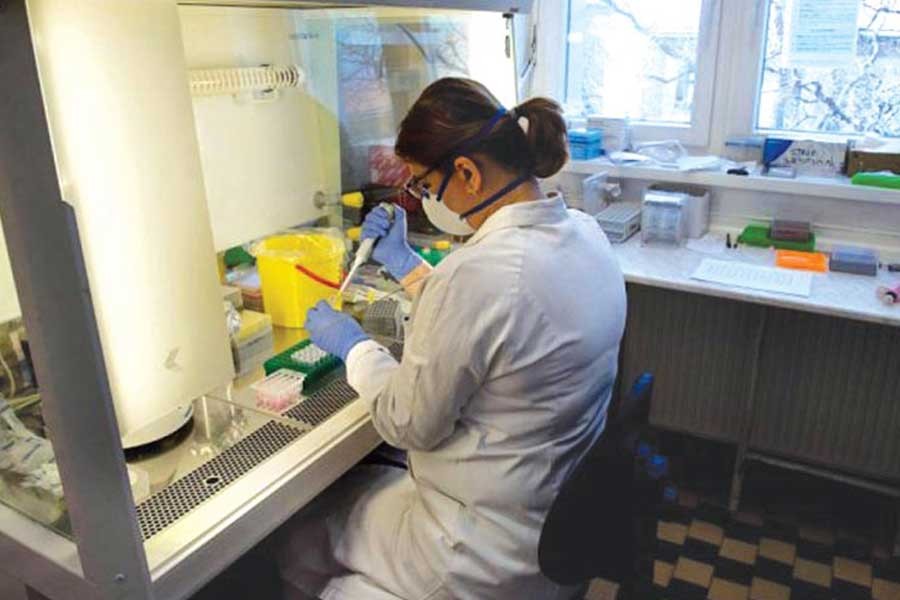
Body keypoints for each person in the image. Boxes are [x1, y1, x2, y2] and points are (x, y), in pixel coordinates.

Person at [272, 77, 627, 600]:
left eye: (422, 184)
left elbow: (406, 422)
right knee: (348, 507)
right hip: (548, 525)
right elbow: (494, 322)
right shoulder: (584, 233)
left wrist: (354, 347)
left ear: (467, 173)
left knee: (298, 542)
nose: (424, 199)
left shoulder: (478, 274)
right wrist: (406, 264)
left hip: (473, 551)